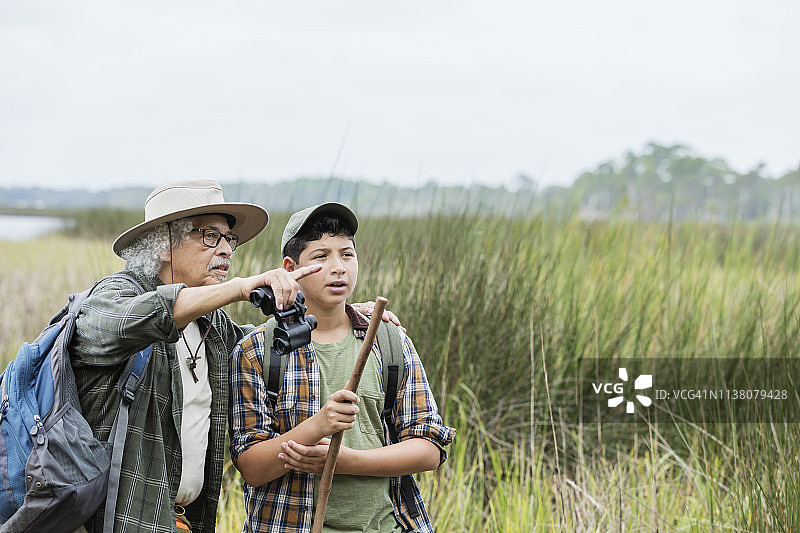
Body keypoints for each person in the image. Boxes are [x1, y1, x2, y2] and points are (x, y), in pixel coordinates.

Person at [70, 181, 394, 533]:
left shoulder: (213, 326)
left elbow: (264, 343)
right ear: (164, 244)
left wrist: (342, 314)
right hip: (116, 519)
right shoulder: (114, 296)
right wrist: (241, 287)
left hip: (181, 521)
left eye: (229, 239)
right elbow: (129, 321)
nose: (226, 249)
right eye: (210, 236)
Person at [228, 203, 455, 533]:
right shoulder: (257, 351)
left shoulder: (389, 341)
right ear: (290, 268)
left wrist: (347, 461)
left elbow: (429, 449)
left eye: (347, 254)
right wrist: (319, 425)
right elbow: (251, 466)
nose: (338, 268)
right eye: (321, 257)